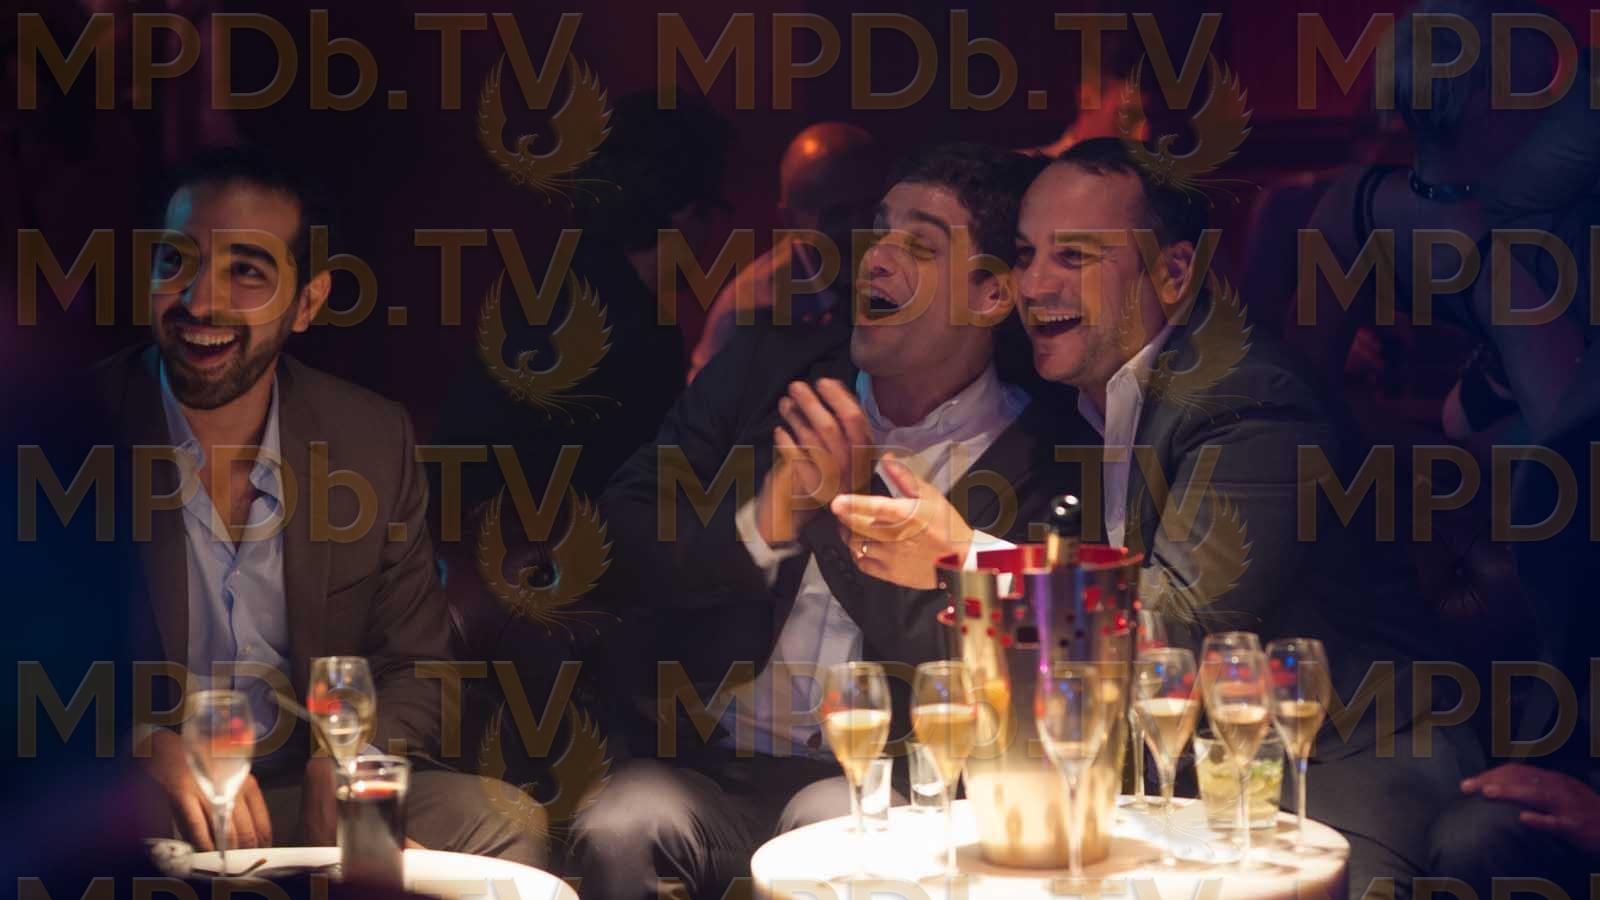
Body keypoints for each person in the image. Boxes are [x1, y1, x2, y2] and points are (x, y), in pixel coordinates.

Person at [837, 138, 1472, 899]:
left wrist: (971, 554)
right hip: (1195, 768)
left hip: (1349, 753)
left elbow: (1179, 627)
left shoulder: (1249, 401)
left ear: (1172, 274)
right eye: (1027, 254)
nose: (1034, 284)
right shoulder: (1081, 406)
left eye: (1074, 257)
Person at [577, 143, 1091, 900]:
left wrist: (844, 509)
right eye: (879, 230)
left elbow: (1003, 672)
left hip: (889, 782)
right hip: (707, 761)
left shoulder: (1046, 458)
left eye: (919, 244)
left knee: (839, 833)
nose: (876, 257)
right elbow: (615, 531)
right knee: (618, 826)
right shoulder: (765, 371)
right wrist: (766, 522)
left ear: (990, 295)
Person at [94, 146, 545, 864]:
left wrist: (350, 761)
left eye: (246, 271)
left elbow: (419, 668)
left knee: (505, 824)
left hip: (309, 789)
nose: (200, 302)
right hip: (141, 798)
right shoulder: (66, 430)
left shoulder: (369, 438)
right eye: (176, 261)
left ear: (307, 302)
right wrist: (139, 746)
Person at [687, 122, 888, 382]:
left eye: (872, 207)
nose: (860, 227)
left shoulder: (914, 276)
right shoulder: (747, 308)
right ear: (790, 220)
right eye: (837, 215)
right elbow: (704, 403)